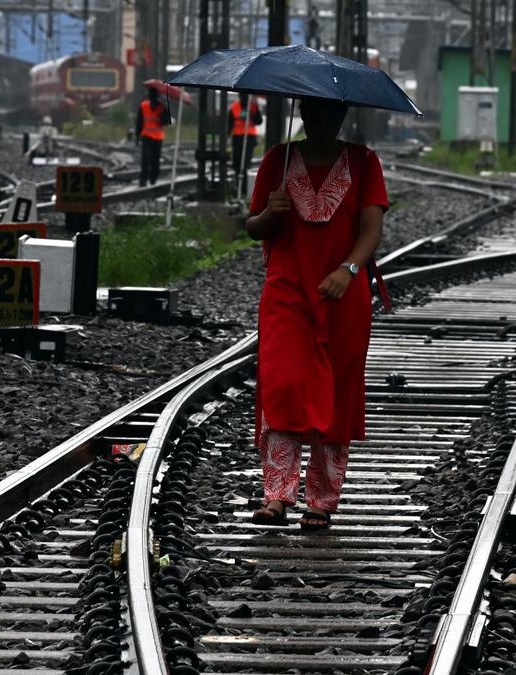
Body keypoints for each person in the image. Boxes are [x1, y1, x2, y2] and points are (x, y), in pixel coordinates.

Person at [245, 97, 387, 531]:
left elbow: (371, 229)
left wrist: (349, 270)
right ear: (303, 115)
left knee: (337, 391)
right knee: (283, 383)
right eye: (313, 113)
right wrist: (271, 212)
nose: (322, 122)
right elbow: (253, 227)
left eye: (331, 115)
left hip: (342, 295)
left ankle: (321, 501)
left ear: (342, 117)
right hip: (287, 290)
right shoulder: (277, 160)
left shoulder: (365, 163)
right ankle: (277, 496)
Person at [135, 87, 171, 187]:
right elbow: (139, 122)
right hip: (153, 137)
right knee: (153, 160)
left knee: (147, 160)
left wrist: (137, 137)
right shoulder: (147, 105)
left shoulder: (159, 106)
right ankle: (150, 180)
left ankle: (146, 180)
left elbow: (139, 123)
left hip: (151, 137)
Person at [229, 94, 263, 195]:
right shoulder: (234, 107)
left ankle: (244, 187)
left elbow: (259, 121)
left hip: (249, 137)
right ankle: (238, 185)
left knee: (246, 163)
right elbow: (229, 124)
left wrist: (254, 111)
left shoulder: (253, 106)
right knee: (237, 162)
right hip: (238, 137)